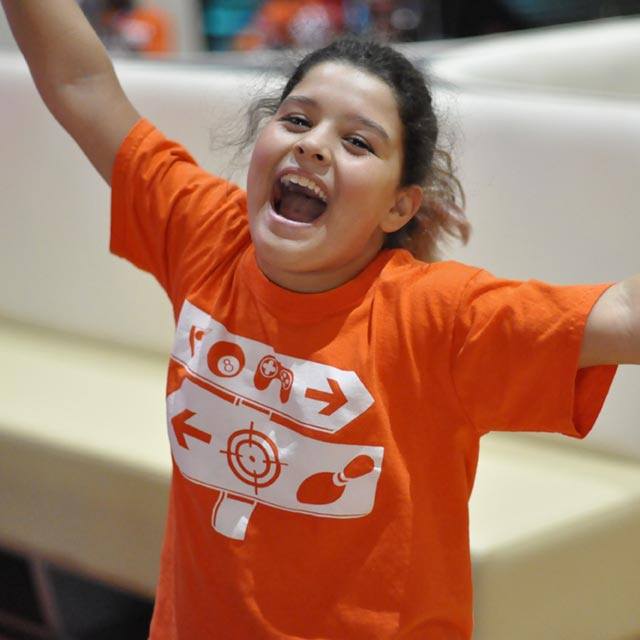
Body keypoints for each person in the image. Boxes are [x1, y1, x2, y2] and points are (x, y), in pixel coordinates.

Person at [2, 1, 638, 638]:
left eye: (357, 142)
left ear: (399, 208)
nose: (312, 144)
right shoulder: (208, 236)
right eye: (298, 120)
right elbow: (80, 84)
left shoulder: (438, 318)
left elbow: (625, 314)